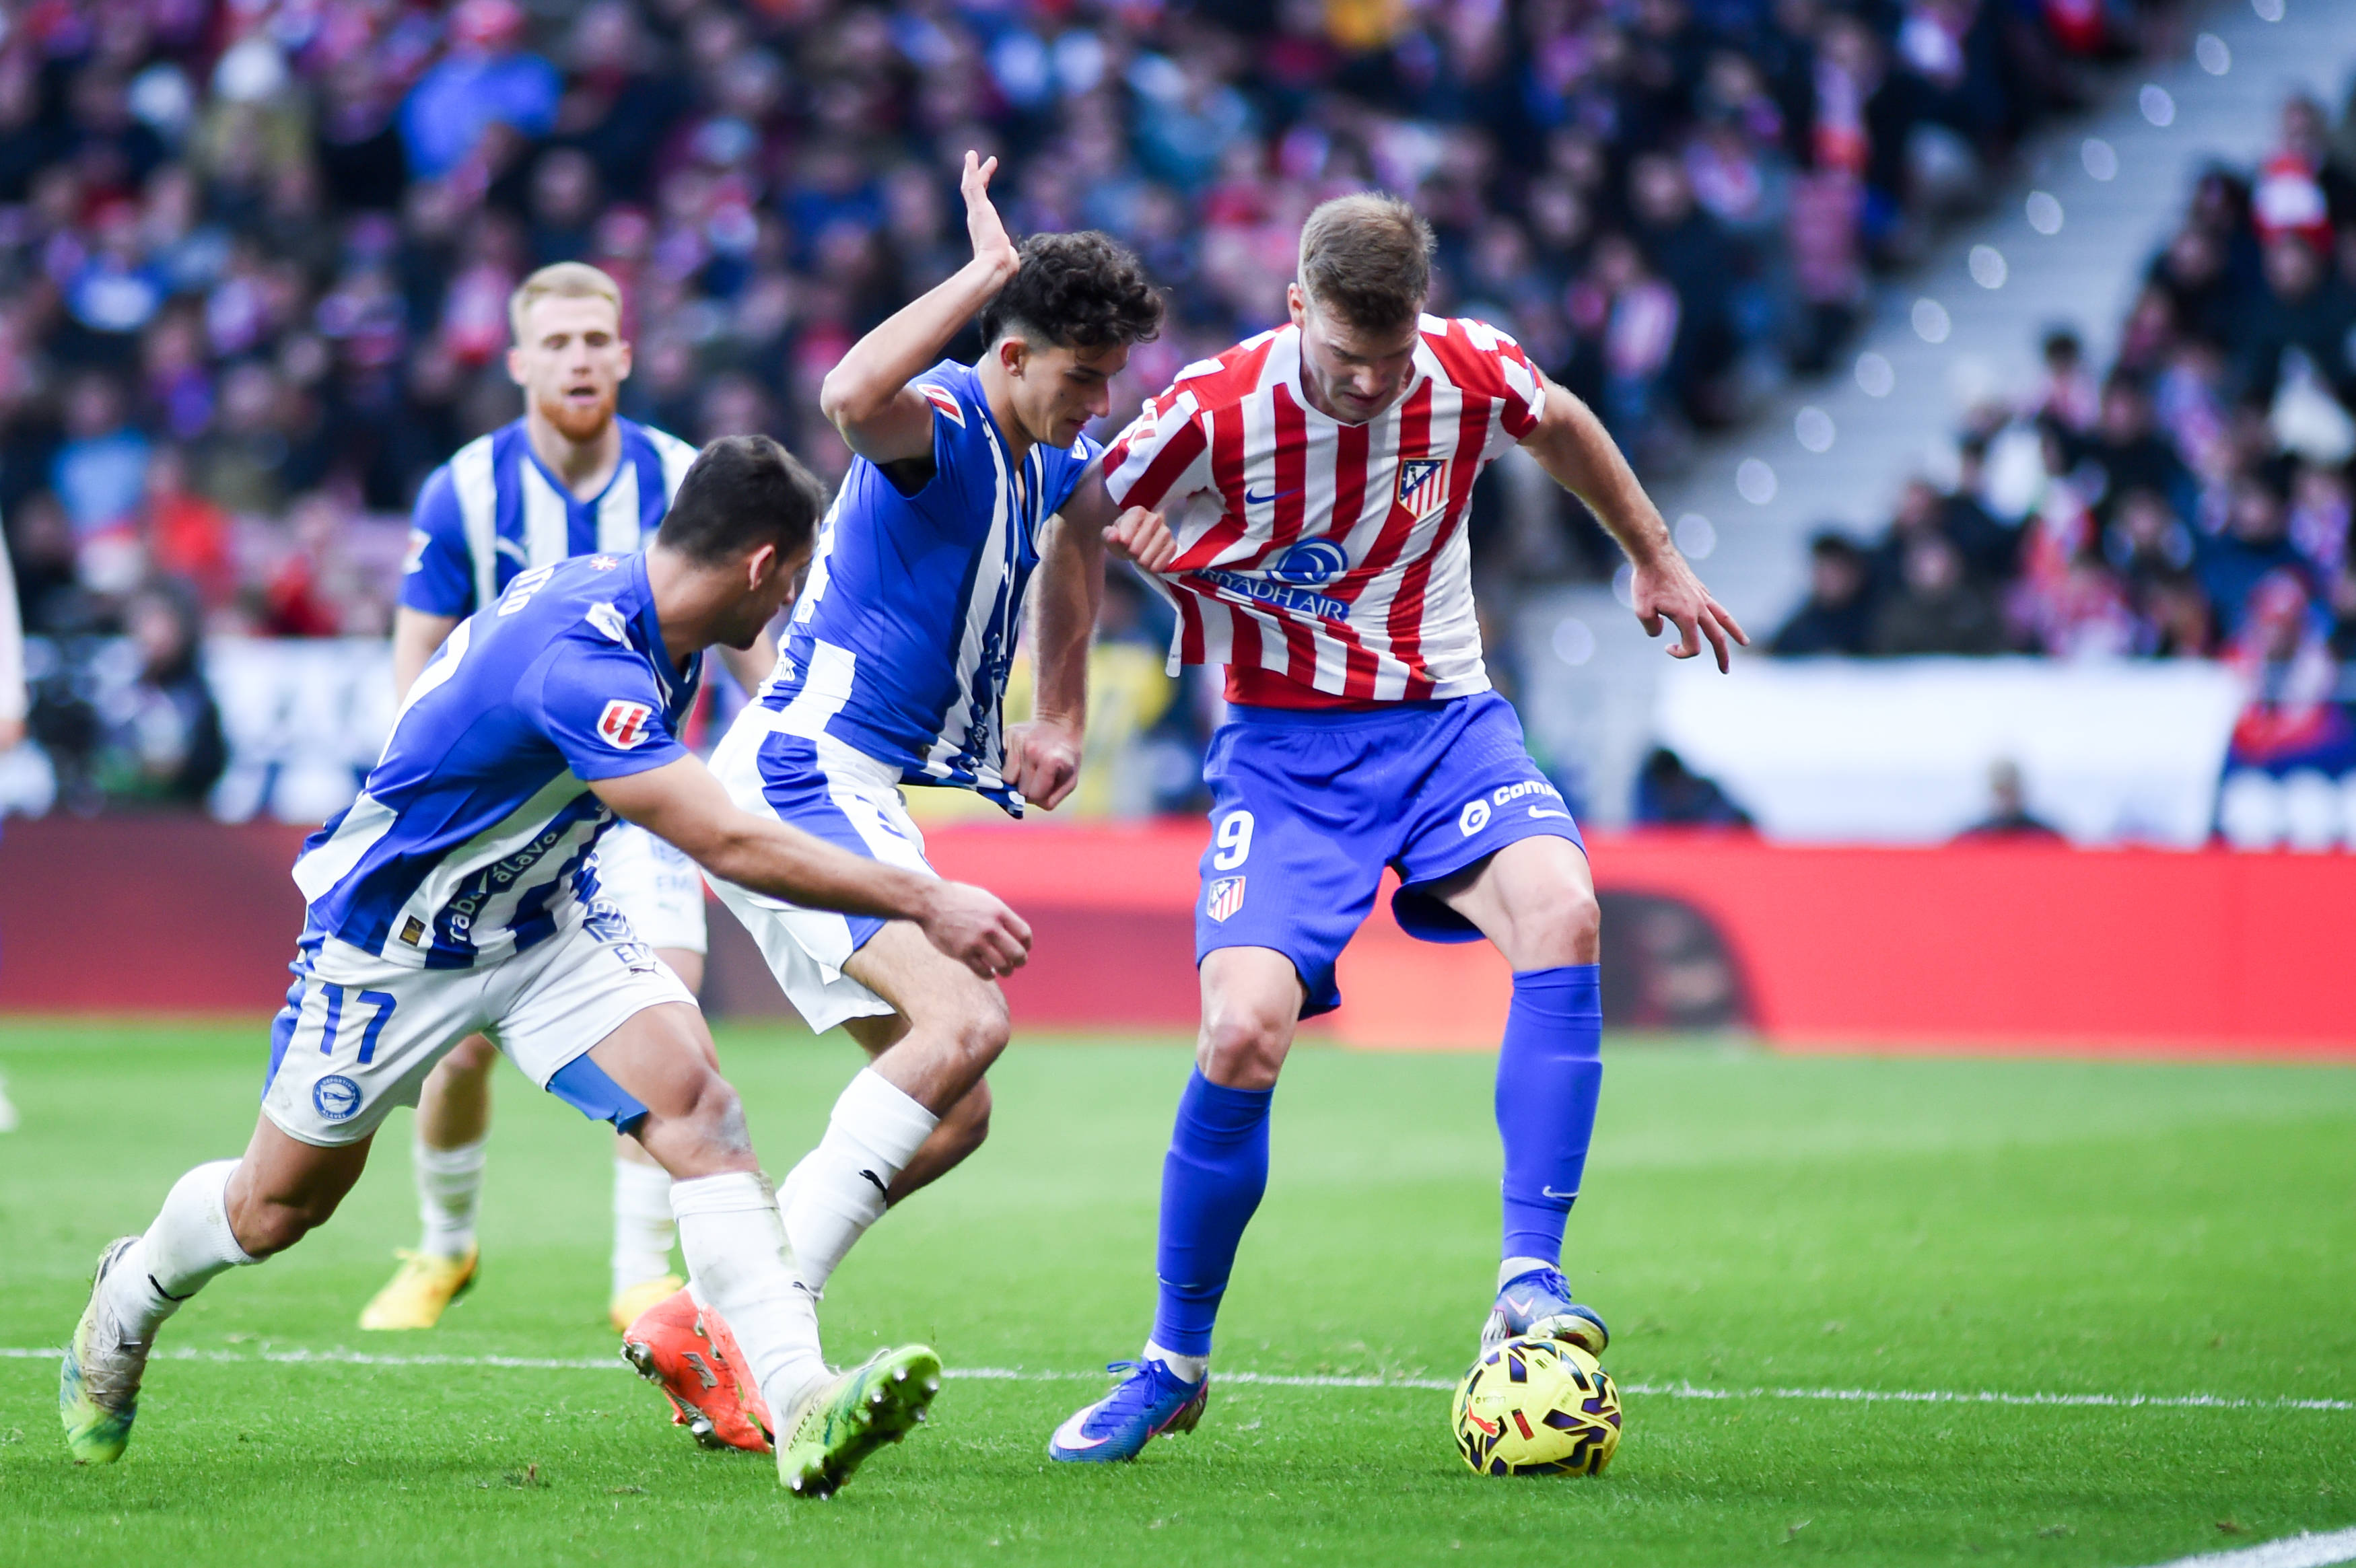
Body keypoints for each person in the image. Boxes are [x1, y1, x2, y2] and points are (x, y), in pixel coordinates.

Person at [59, 435, 1033, 1495]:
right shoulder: (585, 662)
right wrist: (924, 896)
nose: (791, 603)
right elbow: (725, 839)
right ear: (760, 565)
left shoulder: (654, 614)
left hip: (545, 924)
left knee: (704, 1114)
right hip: (393, 946)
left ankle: (799, 1397)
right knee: (275, 1207)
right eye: (794, 579)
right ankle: (129, 1293)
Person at [1042, 192, 1744, 1462]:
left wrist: (1652, 554)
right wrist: (1063, 706)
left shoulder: (1465, 366)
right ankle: (1172, 1361)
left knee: (1566, 911)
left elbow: (1563, 421)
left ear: (1422, 316)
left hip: (1445, 723)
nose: (1370, 382)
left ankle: (1527, 1280)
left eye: (1392, 354)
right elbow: (1079, 517)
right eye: (1344, 355)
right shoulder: (1212, 407)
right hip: (1285, 757)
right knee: (1241, 1032)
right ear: (1295, 308)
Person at [619, 152, 1173, 1452]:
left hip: (851, 786)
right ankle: (766, 1335)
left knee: (958, 1104)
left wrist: (1061, 711)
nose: (1100, 402)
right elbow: (846, 393)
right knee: (967, 1016)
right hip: (807, 769)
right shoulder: (945, 428)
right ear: (1012, 352)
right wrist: (982, 272)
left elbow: (1081, 534)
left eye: (1112, 377)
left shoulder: (1051, 454)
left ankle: (713, 1314)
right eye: (1082, 376)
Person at [368, 260, 771, 1336]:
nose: (579, 358)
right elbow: (418, 661)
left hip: (641, 792)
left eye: (597, 339)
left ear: (626, 354)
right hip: (501, 809)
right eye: (557, 342)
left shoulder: (684, 477)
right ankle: (445, 1245)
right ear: (518, 362)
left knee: (666, 1013)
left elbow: (753, 652)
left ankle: (639, 1272)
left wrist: (779, 748)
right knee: (458, 1042)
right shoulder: (462, 489)